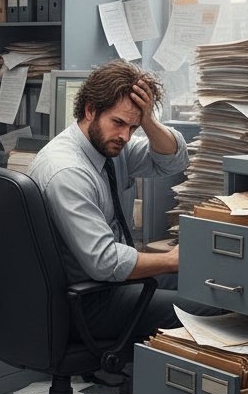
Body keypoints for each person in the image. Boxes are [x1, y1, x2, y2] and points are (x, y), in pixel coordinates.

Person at [29, 60, 206, 341]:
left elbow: (174, 162)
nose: (125, 136)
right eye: (119, 122)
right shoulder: (68, 171)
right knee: (203, 310)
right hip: (88, 300)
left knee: (207, 284)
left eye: (133, 127)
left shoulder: (110, 146)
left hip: (111, 283)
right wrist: (171, 260)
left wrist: (147, 120)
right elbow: (104, 262)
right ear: (90, 110)